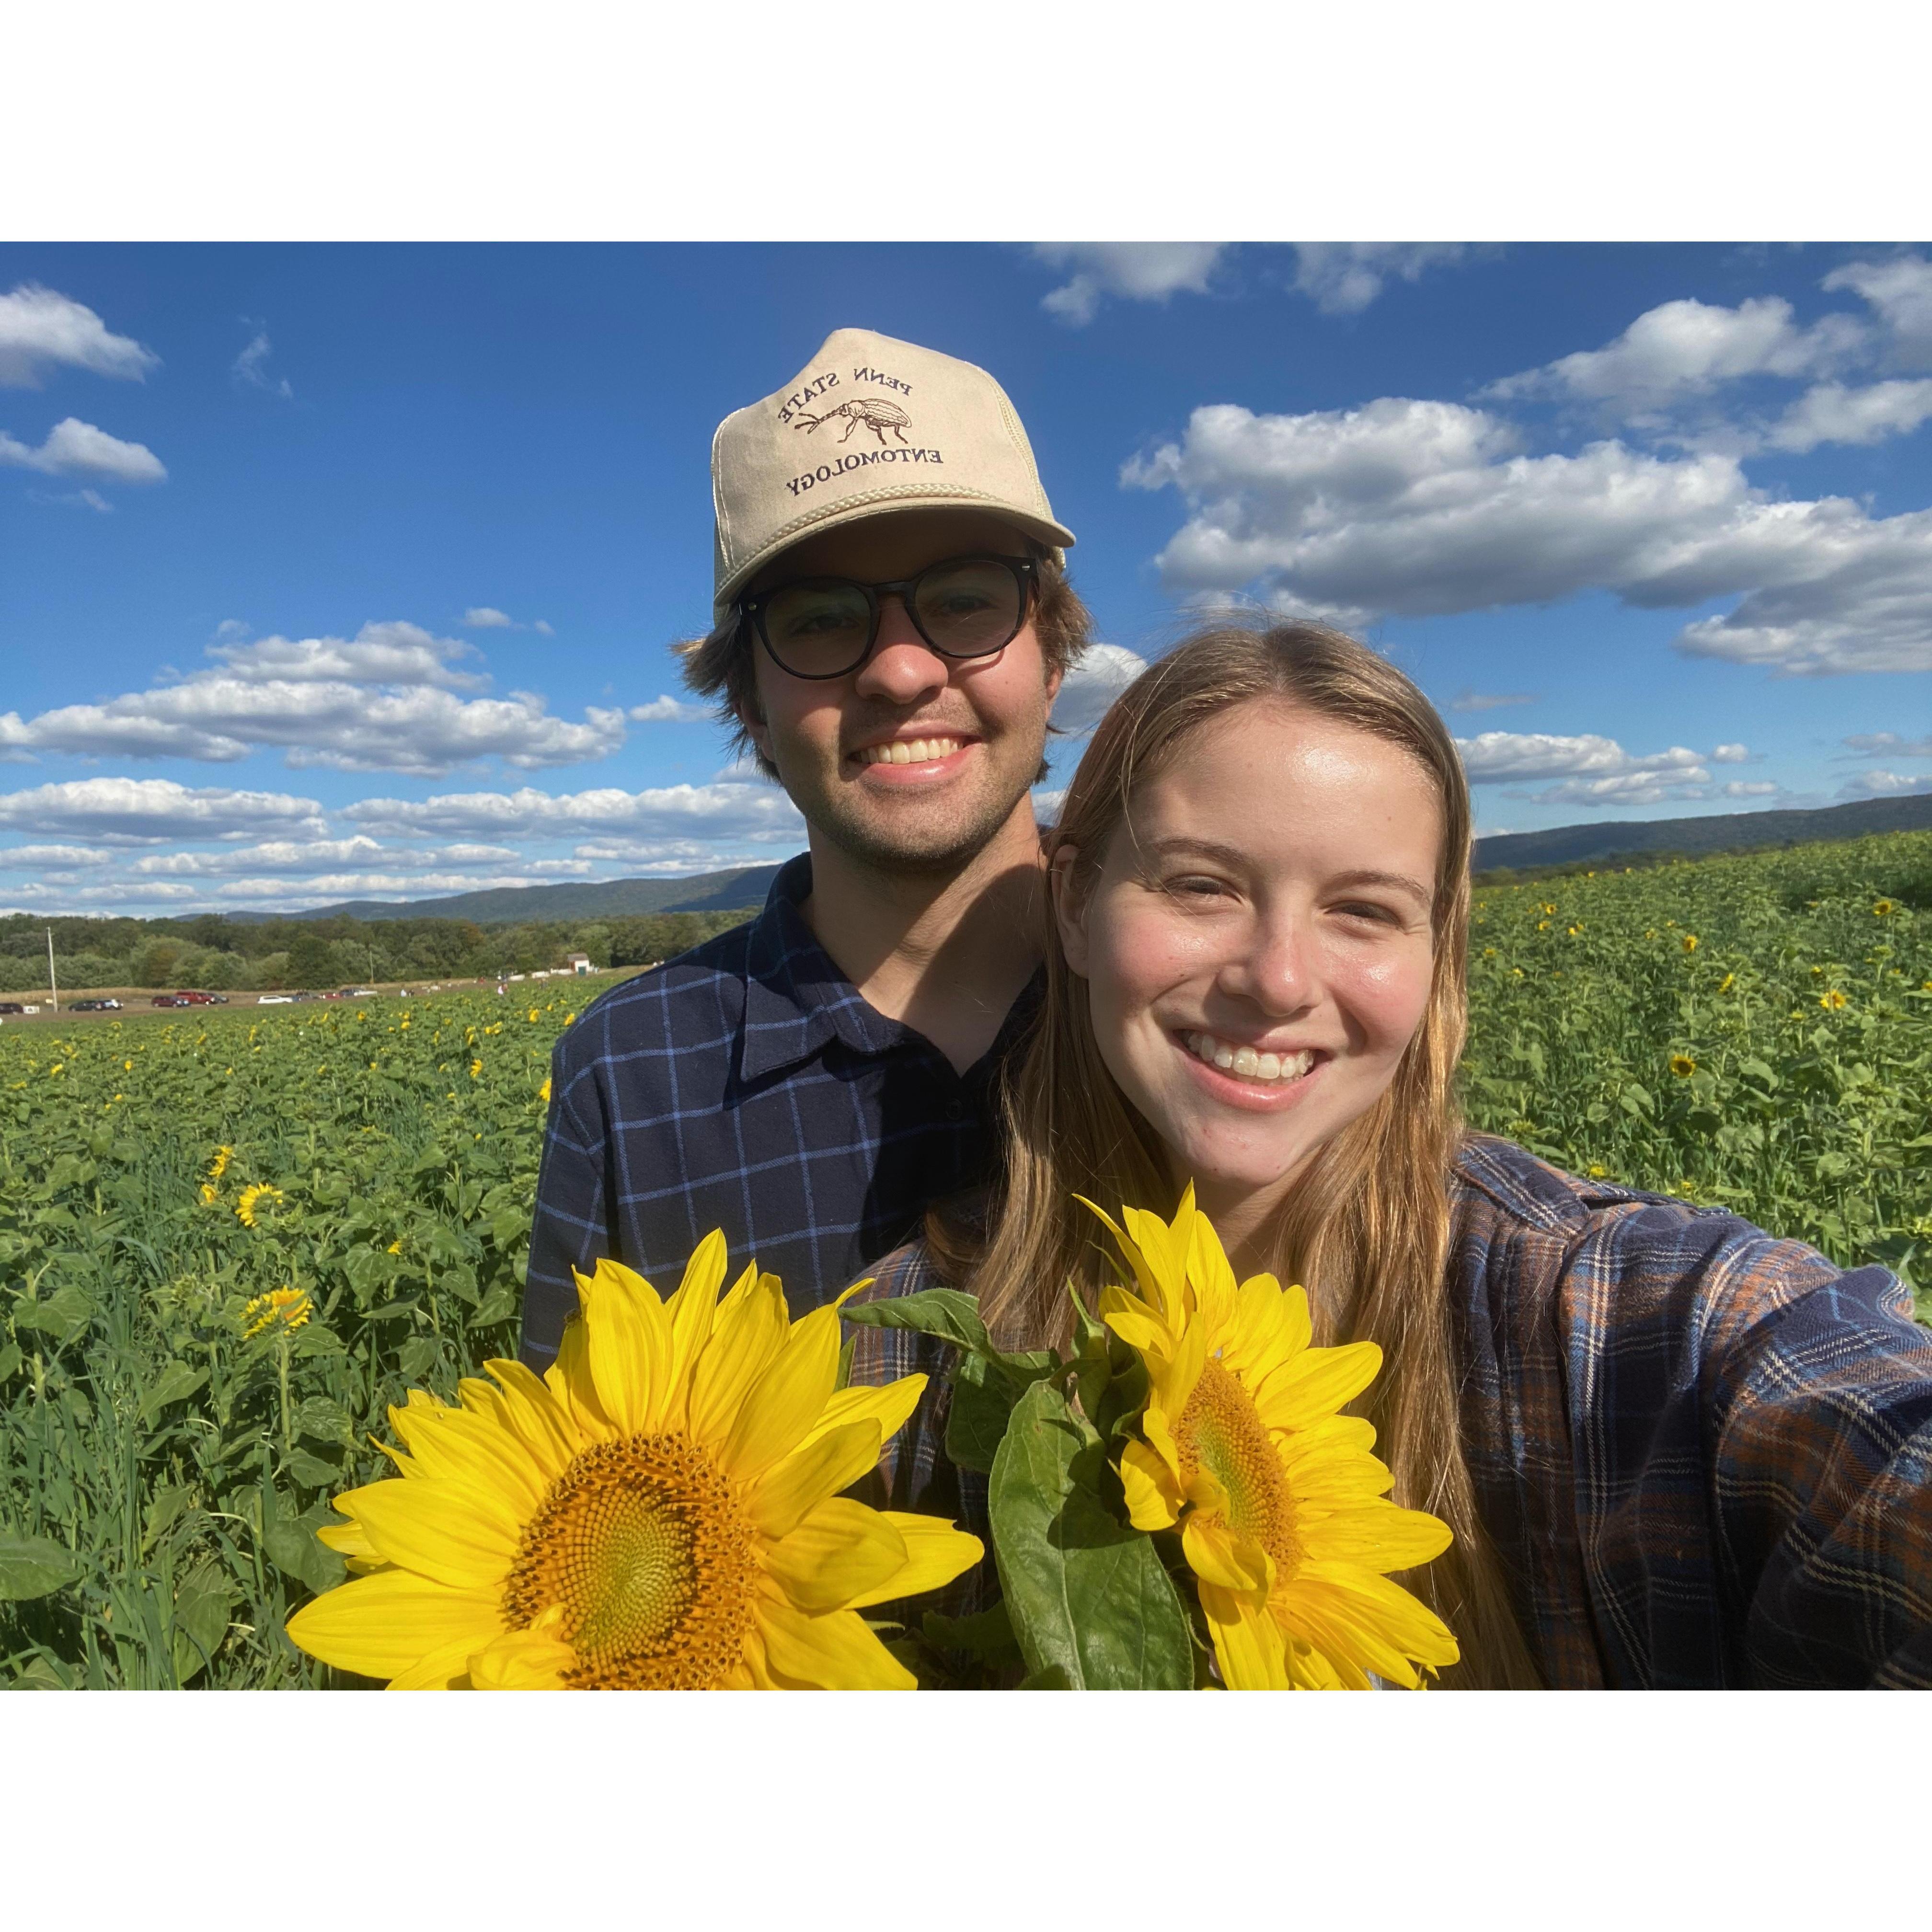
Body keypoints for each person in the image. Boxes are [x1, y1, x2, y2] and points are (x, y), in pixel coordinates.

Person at [849, 621, 1932, 1689]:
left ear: (1436, 952)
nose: (1278, 981)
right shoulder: (898, 1366)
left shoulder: (1615, 1326)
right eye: (1201, 885)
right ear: (1077, 905)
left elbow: (1856, 1438)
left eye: (1364, 910)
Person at [520, 327, 1091, 1368]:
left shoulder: (1203, 996)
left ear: (1052, 653)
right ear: (749, 698)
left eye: (966, 597)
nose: (902, 671)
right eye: (823, 620)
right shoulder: (630, 1078)